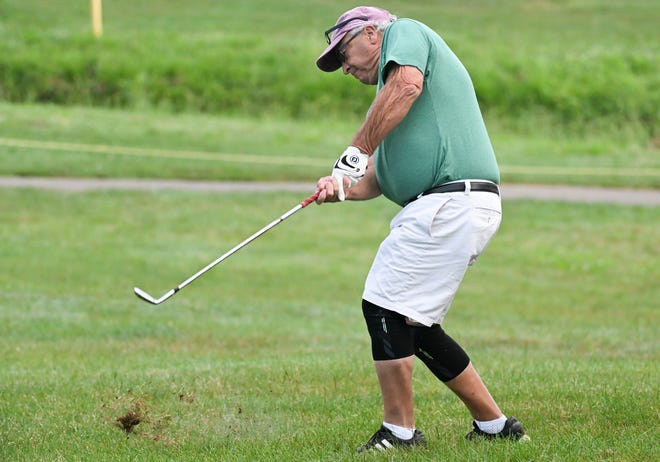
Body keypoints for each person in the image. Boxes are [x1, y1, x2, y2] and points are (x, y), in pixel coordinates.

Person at [313, 6, 528, 453]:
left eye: (344, 53)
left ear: (372, 34)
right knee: (415, 322)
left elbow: (407, 85)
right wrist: (342, 188)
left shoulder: (405, 36)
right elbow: (380, 180)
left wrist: (356, 150)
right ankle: (495, 425)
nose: (344, 66)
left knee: (383, 306)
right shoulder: (388, 97)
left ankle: (399, 433)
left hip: (448, 202)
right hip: (450, 203)